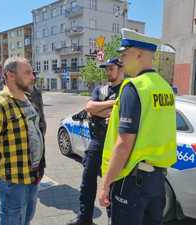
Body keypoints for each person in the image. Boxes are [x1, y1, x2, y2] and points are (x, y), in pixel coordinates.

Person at [98, 28, 177, 225]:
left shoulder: (134, 87)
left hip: (131, 181)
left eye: (124, 54)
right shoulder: (165, 87)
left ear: (139, 54)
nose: (121, 59)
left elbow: (124, 144)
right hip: (157, 180)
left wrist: (105, 183)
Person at [0, 57, 46, 225]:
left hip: (34, 176)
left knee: (26, 218)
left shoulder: (27, 99)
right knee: (13, 220)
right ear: (10, 75)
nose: (33, 77)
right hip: (14, 181)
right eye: (27, 73)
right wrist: (4, 173)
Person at [67, 58, 124, 225]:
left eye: (111, 68)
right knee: (87, 182)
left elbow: (120, 114)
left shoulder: (128, 89)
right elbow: (90, 108)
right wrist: (113, 104)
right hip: (97, 141)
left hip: (115, 144)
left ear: (121, 68)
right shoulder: (101, 89)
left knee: (112, 185)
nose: (107, 72)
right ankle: (85, 219)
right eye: (106, 69)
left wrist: (101, 109)